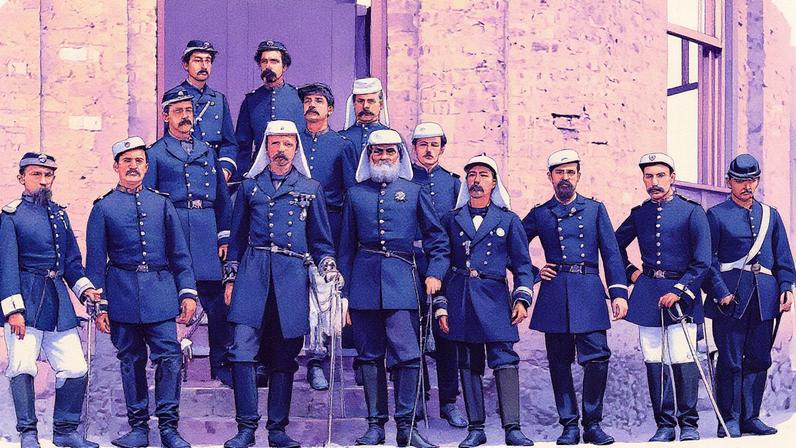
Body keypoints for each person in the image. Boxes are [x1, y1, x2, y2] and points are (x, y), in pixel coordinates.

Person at [222, 120, 337, 448]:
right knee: (242, 351)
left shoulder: (310, 188)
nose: (281, 150)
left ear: (296, 148)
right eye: (275, 143)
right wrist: (231, 278)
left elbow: (321, 241)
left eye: (287, 144)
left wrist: (329, 267)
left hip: (291, 278)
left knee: (284, 355)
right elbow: (237, 239)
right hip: (252, 274)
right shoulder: (250, 187)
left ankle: (277, 430)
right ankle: (246, 429)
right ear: (266, 148)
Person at [338, 129, 448, 448]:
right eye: (378, 152)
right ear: (369, 156)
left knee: (409, 356)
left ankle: (406, 427)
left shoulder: (413, 192)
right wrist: (343, 295)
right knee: (369, 356)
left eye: (390, 151)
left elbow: (438, 239)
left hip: (402, 283)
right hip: (363, 285)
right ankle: (375, 426)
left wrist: (435, 272)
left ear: (399, 156)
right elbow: (345, 248)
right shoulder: (355, 194)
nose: (383, 157)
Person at [86, 137, 198, 448]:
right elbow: (95, 263)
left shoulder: (161, 204)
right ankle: (138, 428)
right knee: (131, 359)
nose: (133, 166)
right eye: (127, 161)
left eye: (138, 161)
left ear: (146, 167)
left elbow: (180, 254)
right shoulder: (103, 208)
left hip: (160, 293)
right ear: (116, 167)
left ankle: (169, 428)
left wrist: (187, 293)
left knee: (170, 357)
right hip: (121, 295)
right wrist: (100, 306)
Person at [522, 149, 628, 446]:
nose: (565, 177)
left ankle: (592, 424)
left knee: (598, 358)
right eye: (559, 172)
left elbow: (611, 253)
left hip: (589, 289)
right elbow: (512, 245)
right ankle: (569, 425)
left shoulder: (595, 209)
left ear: (578, 176)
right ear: (550, 177)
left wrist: (618, 293)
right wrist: (534, 272)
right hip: (555, 292)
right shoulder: (541, 213)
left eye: (570, 172)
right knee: (559, 362)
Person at [1, 152, 101, 448]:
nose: (43, 181)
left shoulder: (59, 214)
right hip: (26, 300)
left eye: (48, 175)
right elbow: (6, 265)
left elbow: (71, 262)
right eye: (36, 174)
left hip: (57, 301)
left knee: (75, 367)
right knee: (22, 366)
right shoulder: (11, 216)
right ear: (22, 178)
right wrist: (13, 311)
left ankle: (65, 432)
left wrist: (85, 291)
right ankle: (28, 434)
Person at [435, 154, 535, 447]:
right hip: (461, 297)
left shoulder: (508, 220)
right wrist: (441, 304)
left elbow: (522, 265)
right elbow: (441, 262)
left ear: (493, 182)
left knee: (505, 358)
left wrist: (522, 298)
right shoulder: (451, 220)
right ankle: (476, 429)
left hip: (495, 298)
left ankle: (513, 429)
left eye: (483, 175)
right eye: (472, 175)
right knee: (468, 361)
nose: (476, 180)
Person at [614, 153, 711, 442]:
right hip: (648, 296)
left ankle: (689, 424)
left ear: (672, 178)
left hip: (683, 294)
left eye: (660, 175)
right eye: (648, 176)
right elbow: (612, 247)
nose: (654, 182)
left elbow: (703, 261)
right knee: (654, 360)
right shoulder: (640, 214)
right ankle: (665, 425)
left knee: (683, 358)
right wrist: (631, 273)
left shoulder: (692, 212)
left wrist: (679, 290)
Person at [144, 89, 233, 385]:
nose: (185, 116)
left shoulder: (207, 151)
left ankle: (221, 364)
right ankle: (169, 365)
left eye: (189, 111)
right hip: (174, 229)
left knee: (217, 303)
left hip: (206, 231)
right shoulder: (155, 154)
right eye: (178, 111)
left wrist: (224, 237)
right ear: (166, 116)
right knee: (171, 301)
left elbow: (222, 198)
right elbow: (149, 203)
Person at [702, 154, 795, 438]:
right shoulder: (716, 215)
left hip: (765, 299)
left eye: (752, 180)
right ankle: (729, 419)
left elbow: (783, 258)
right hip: (730, 299)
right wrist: (720, 292)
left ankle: (751, 417)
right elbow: (706, 261)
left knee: (759, 358)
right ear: (728, 181)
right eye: (740, 180)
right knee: (730, 361)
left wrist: (786, 287)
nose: (747, 186)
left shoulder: (771, 215)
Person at [296, 82, 358, 391]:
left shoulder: (342, 145)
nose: (312, 105)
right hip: (294, 223)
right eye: (307, 100)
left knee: (323, 291)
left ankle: (317, 360)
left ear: (330, 109)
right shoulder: (292, 141)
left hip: (330, 224)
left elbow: (350, 193)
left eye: (319, 101)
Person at [409, 122, 466, 428]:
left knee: (446, 333)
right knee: (412, 331)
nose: (428, 150)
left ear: (442, 149)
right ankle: (418, 398)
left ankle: (449, 401)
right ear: (414, 149)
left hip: (445, 265)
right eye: (423, 145)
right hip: (411, 262)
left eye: (434, 145)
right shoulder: (406, 180)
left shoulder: (454, 184)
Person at [233, 40, 305, 190]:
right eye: (264, 61)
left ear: (284, 67)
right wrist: (241, 177)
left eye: (274, 61)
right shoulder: (251, 100)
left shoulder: (299, 97)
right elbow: (243, 144)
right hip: (260, 174)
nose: (268, 66)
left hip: (295, 175)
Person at [164, 40, 238, 180]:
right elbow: (168, 141)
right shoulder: (174, 97)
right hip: (184, 171)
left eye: (208, 61)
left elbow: (229, 143)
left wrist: (225, 170)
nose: (204, 66)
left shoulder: (219, 99)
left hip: (215, 171)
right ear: (185, 65)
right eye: (197, 60)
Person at [339, 77, 390, 155]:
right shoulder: (341, 138)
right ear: (354, 104)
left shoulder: (391, 137)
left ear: (381, 104)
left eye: (371, 101)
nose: (365, 106)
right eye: (360, 101)